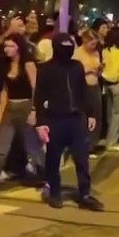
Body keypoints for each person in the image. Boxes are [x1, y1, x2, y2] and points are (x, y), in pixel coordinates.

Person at [33, 33, 103, 210]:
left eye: (69, 47)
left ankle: (85, 194)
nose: (67, 50)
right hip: (55, 119)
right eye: (64, 47)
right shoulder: (45, 69)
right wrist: (40, 123)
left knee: (82, 158)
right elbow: (39, 97)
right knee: (53, 158)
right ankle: (55, 192)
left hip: (76, 119)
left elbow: (83, 91)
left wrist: (91, 113)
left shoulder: (76, 66)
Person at [0, 35, 43, 185]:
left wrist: (35, 110)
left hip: (26, 108)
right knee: (1, 150)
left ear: (19, 47)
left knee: (32, 147)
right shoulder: (5, 65)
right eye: (5, 46)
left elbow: (36, 88)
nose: (7, 49)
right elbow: (4, 92)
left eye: (10, 46)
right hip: (10, 109)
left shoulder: (28, 64)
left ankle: (44, 178)